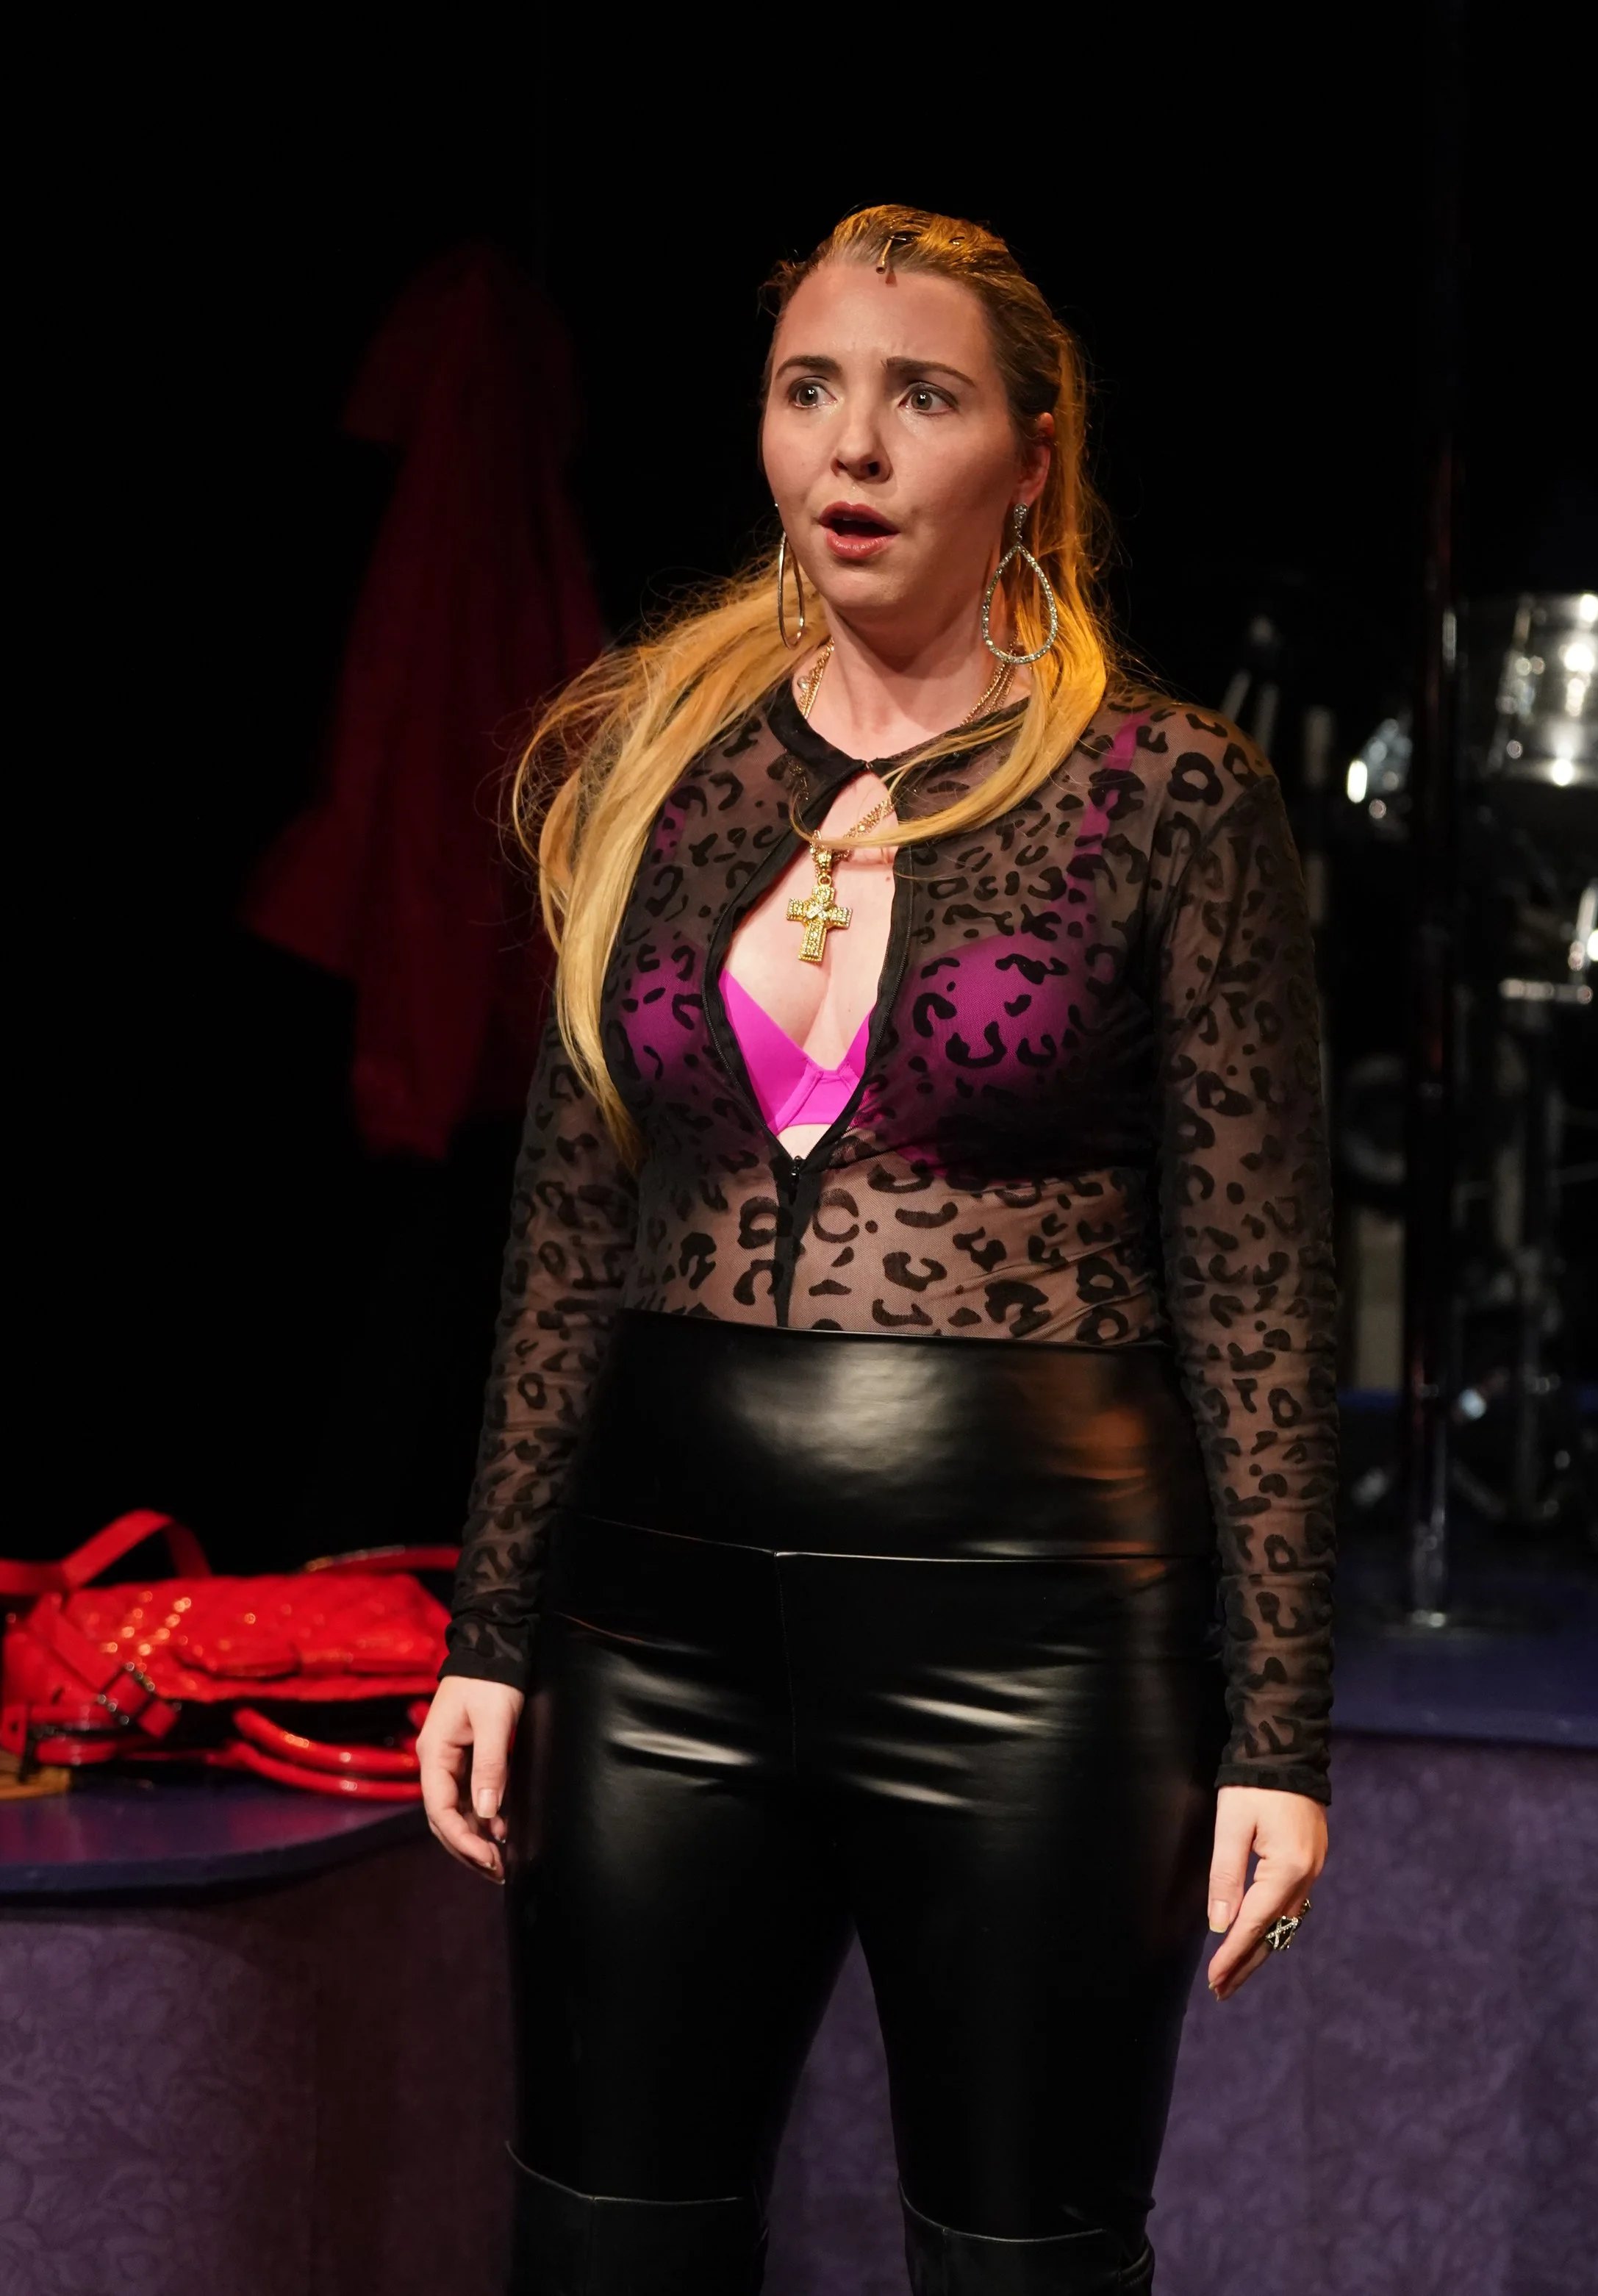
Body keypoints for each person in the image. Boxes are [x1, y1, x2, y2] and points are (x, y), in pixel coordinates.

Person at [416, 204, 1339, 2295]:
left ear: (1030, 457)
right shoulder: (660, 767)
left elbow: (1260, 1291)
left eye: (921, 397)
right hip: (653, 1636)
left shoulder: (1167, 794)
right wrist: (495, 1622)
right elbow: (569, 1226)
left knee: (1022, 2259)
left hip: (1034, 1641)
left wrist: (1277, 1731)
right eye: (808, 390)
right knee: (604, 2249)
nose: (852, 445)